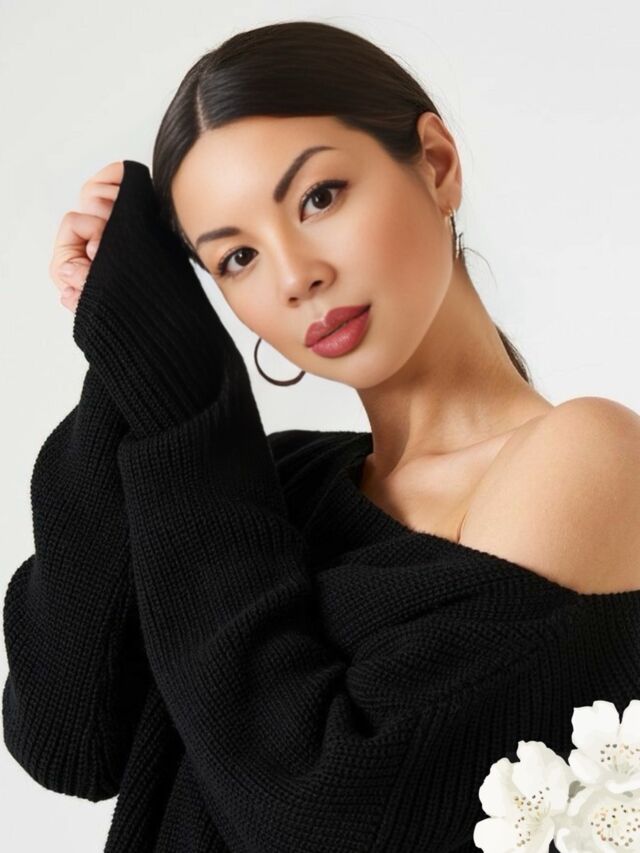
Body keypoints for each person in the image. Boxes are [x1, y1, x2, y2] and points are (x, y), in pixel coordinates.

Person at [5, 20, 640, 853]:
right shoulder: (272, 487)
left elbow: (324, 814)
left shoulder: (586, 455)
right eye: (235, 259)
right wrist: (137, 355)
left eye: (319, 197)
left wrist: (190, 415)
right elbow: (71, 735)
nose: (295, 274)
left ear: (436, 164)